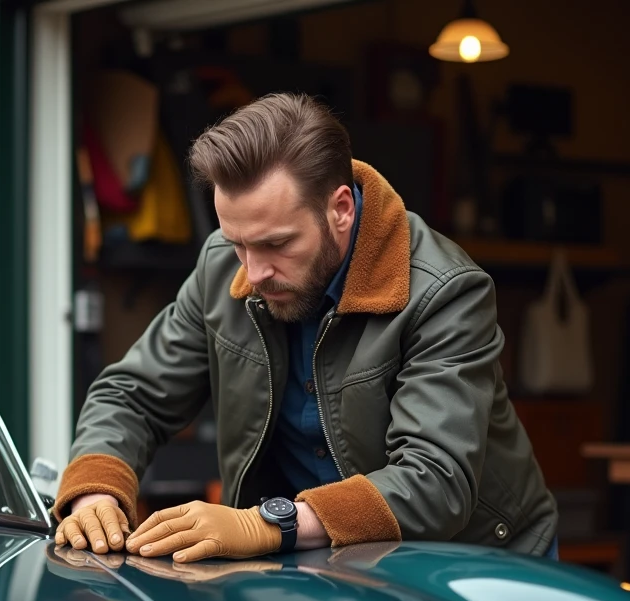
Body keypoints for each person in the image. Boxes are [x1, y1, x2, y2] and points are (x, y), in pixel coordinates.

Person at [52, 92, 558, 564]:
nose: (253, 272)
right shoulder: (222, 268)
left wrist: (265, 525)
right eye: (237, 243)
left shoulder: (445, 291)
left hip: (467, 564)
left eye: (276, 244)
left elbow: (435, 481)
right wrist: (97, 485)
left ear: (339, 209)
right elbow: (133, 394)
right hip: (310, 559)